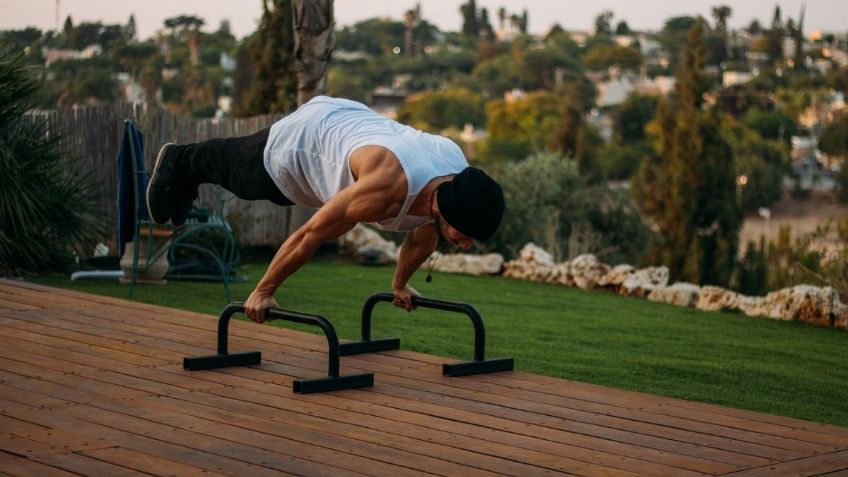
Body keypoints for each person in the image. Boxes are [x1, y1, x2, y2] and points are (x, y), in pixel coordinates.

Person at [146, 96, 504, 323]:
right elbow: (310, 234)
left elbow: (422, 237)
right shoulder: (385, 187)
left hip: (352, 121)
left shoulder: (454, 179)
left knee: (254, 181)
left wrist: (400, 285)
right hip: (307, 141)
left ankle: (185, 170)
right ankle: (178, 161)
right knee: (241, 175)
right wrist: (263, 291)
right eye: (465, 236)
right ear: (445, 209)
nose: (465, 245)